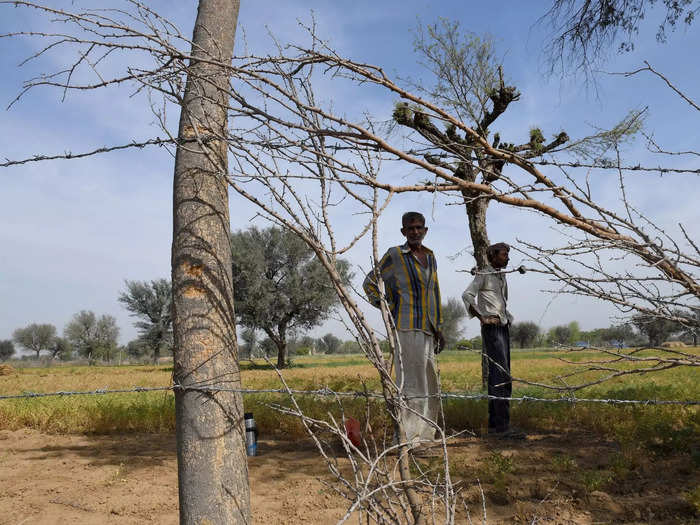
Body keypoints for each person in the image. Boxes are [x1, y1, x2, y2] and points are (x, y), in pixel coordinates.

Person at [363, 211, 445, 446]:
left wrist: (439, 327)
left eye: (419, 228)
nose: (415, 232)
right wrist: (387, 307)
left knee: (430, 383)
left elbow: (435, 292)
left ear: (425, 230)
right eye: (410, 228)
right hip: (406, 327)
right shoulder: (395, 255)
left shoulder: (430, 256)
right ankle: (409, 439)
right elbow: (370, 282)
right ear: (403, 232)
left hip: (428, 329)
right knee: (411, 383)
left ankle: (427, 435)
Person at [462, 242, 524, 439]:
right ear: (492, 256)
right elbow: (467, 295)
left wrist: (506, 318)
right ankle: (502, 427)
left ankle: (495, 425)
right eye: (504, 255)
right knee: (501, 375)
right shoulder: (484, 275)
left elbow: (500, 303)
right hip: (493, 328)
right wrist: (482, 318)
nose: (507, 258)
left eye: (507, 255)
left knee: (500, 374)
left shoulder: (501, 276)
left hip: (502, 326)